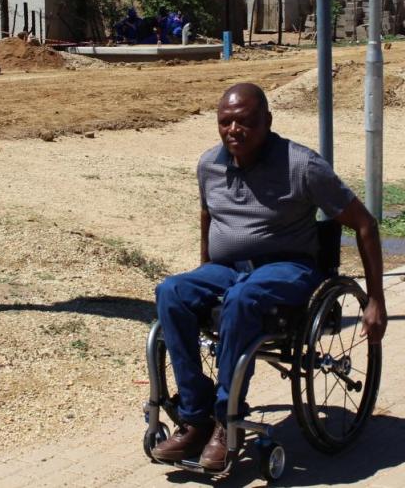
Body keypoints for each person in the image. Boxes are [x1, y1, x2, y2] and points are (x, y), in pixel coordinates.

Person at [150, 83, 387, 470]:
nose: (233, 131)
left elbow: (364, 223)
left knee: (245, 297)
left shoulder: (301, 165)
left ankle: (229, 421)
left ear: (267, 122)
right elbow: (208, 215)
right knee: (171, 291)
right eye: (224, 122)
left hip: (288, 269)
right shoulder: (209, 164)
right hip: (227, 271)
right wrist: (205, 268)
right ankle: (195, 416)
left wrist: (376, 299)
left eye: (244, 122)